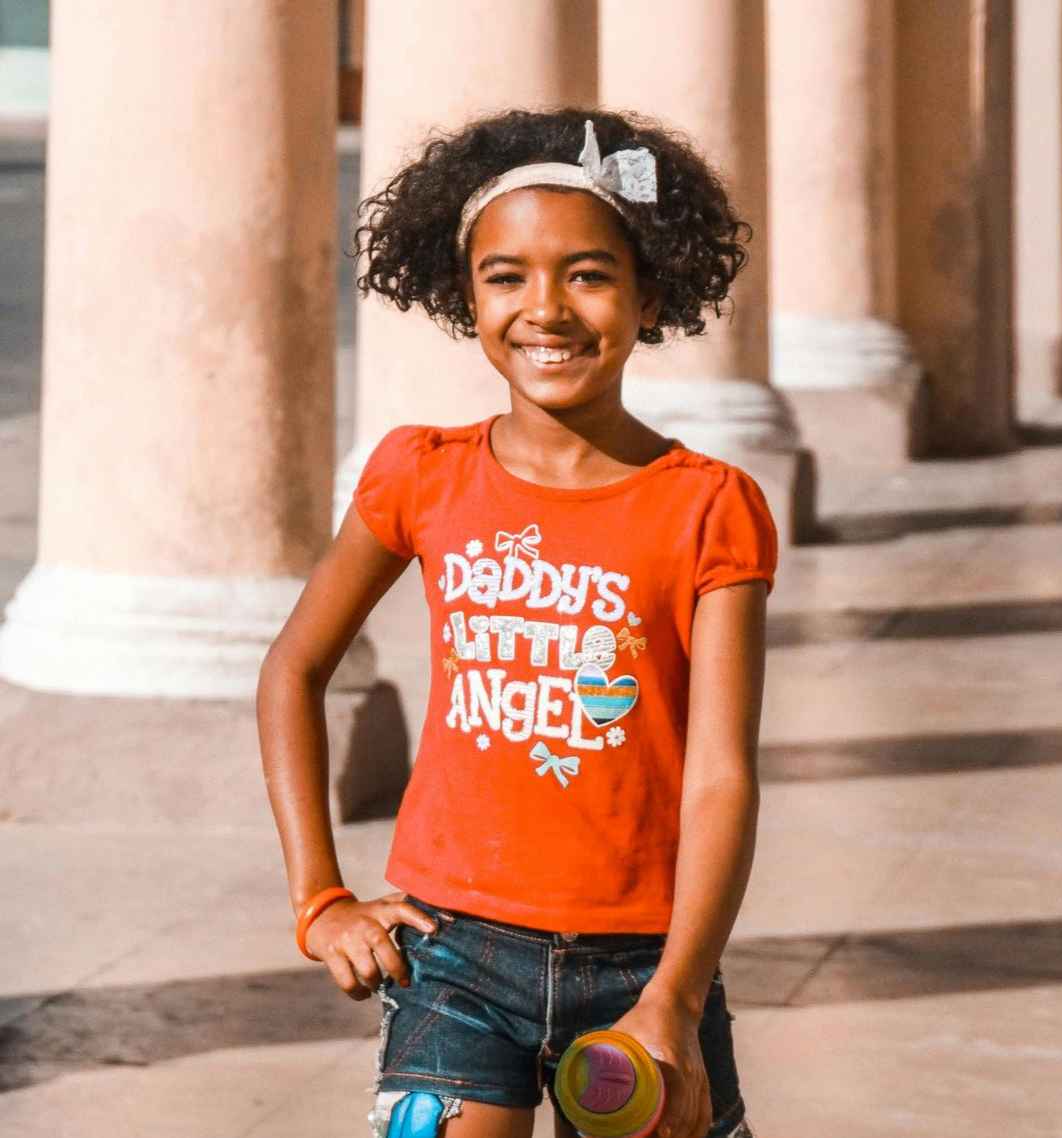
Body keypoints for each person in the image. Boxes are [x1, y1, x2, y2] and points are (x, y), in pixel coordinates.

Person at [257, 108, 776, 1138]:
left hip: (645, 965)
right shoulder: (420, 472)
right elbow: (293, 669)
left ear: (650, 292)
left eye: (587, 273)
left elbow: (721, 772)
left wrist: (676, 991)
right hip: (450, 958)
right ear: (467, 296)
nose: (546, 309)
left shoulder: (709, 506)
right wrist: (321, 898)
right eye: (506, 277)